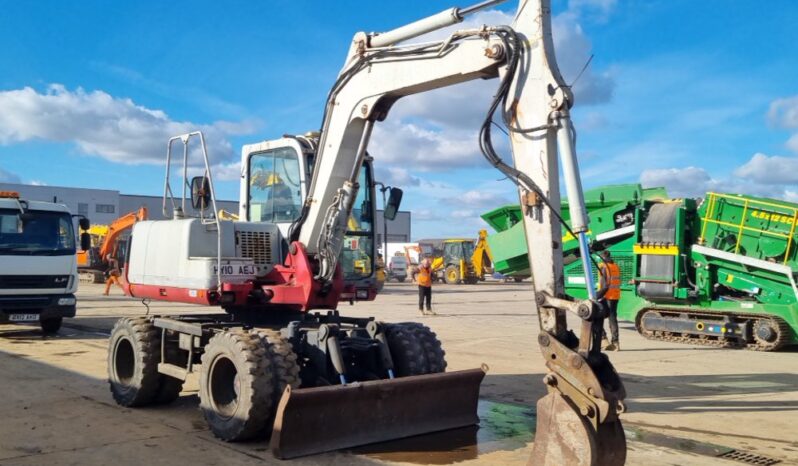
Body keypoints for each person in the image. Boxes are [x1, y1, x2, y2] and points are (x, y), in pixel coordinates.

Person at [598, 250, 621, 351]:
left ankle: (603, 340)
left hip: (606, 296)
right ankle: (616, 343)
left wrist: (598, 296)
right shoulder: (615, 266)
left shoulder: (604, 267)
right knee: (613, 319)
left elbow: (604, 285)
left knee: (597, 318)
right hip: (615, 296)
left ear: (603, 257)